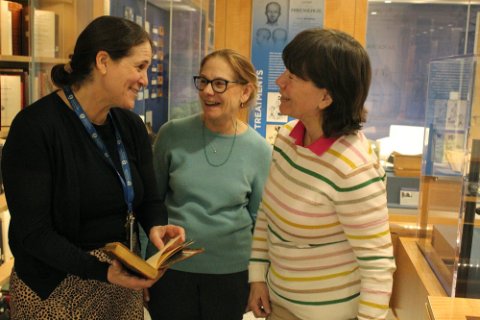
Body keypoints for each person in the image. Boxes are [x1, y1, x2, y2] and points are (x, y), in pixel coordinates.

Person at [1, 16, 185, 320]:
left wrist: (156, 226)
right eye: (139, 67)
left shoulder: (130, 126)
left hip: (118, 282)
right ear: (103, 61)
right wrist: (102, 271)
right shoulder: (35, 128)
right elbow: (34, 233)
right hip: (55, 288)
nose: (145, 80)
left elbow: (149, 199)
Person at [248, 28, 396, 320]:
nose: (280, 82)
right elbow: (268, 214)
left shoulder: (354, 168)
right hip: (279, 306)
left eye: (292, 77)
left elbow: (378, 266)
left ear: (326, 97)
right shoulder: (288, 137)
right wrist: (257, 276)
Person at [146, 48, 272, 320]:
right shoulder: (172, 134)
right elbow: (151, 204)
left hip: (231, 275)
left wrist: (259, 279)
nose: (207, 91)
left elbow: (260, 222)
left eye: (219, 84)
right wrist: (145, 264)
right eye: (203, 81)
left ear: (245, 92)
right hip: (170, 271)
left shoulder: (259, 150)